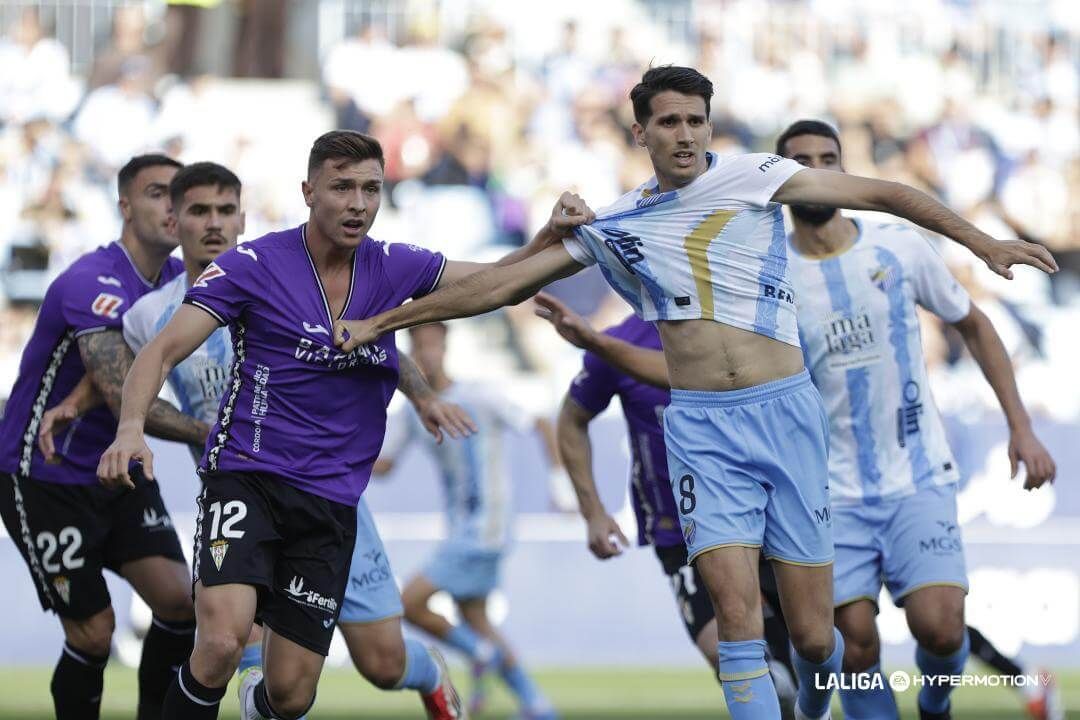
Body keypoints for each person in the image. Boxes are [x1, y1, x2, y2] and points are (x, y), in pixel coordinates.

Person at [330, 66, 1057, 720]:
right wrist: (383, 322)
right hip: (705, 432)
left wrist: (982, 244)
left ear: (709, 125)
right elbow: (497, 283)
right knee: (738, 621)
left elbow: (885, 193)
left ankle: (814, 702)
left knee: (815, 638)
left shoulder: (757, 177)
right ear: (640, 129)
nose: (683, 135)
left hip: (789, 415)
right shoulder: (617, 224)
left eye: (695, 120)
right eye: (668, 122)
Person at [530, 119, 1060, 720]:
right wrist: (597, 343)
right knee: (849, 646)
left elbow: (972, 322)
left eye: (826, 158)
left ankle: (941, 700)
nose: (815, 172)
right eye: (801, 161)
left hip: (916, 473)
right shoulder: (761, 270)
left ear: (841, 166)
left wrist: (1020, 425)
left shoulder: (898, 248)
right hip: (823, 483)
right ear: (783, 177)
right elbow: (695, 374)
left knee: (940, 629)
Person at [97, 130, 592, 720]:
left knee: (291, 693)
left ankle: (417, 674)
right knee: (223, 642)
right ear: (309, 192)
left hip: (332, 501)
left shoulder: (392, 266)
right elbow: (159, 351)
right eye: (342, 187)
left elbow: (494, 282)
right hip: (247, 479)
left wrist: (552, 237)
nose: (358, 203)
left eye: (370, 189)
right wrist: (129, 429)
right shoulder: (253, 266)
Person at [0, 154, 210, 720]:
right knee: (96, 634)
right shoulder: (89, 281)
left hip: (118, 469)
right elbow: (125, 393)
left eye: (181, 196)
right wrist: (209, 434)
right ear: (125, 205)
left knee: (179, 604)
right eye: (158, 194)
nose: (173, 208)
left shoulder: (179, 283)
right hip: (44, 475)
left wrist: (77, 399)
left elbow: (126, 369)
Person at [551, 311, 798, 718]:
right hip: (680, 532)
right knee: (744, 666)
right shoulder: (617, 344)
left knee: (806, 653)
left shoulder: (735, 326)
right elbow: (571, 420)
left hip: (764, 521)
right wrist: (592, 511)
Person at [374, 322, 559, 720]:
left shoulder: (480, 394)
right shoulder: (414, 409)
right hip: (462, 527)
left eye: (432, 344)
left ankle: (480, 656)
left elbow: (542, 423)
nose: (426, 353)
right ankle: (536, 706)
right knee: (475, 620)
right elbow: (385, 464)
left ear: (446, 347)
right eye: (419, 345)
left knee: (409, 603)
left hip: (487, 526)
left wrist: (561, 486)